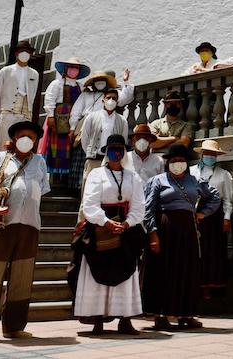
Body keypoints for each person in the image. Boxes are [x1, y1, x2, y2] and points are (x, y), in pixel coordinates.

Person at [0, 121, 49, 344]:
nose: (27, 140)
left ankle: (14, 327)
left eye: (31, 137)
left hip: (30, 226)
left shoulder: (40, 162)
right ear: (14, 138)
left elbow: (41, 190)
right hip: (2, 227)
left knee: (22, 278)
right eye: (23, 135)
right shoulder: (0, 159)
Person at [142, 143, 222, 330]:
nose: (178, 163)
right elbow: (149, 208)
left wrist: (202, 213)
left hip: (188, 230)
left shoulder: (195, 180)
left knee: (187, 271)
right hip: (165, 228)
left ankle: (186, 314)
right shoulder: (157, 181)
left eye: (181, 160)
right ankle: (160, 314)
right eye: (174, 160)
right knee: (164, 271)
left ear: (186, 163)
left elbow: (215, 197)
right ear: (168, 162)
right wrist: (153, 233)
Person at [72, 134, 146, 336]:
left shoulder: (133, 177)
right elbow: (89, 204)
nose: (116, 152)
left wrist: (127, 223)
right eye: (112, 149)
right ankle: (97, 320)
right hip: (100, 228)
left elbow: (139, 205)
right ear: (107, 152)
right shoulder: (96, 174)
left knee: (127, 273)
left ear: (124, 152)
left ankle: (125, 319)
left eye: (120, 149)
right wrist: (105, 221)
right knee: (96, 273)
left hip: (125, 229)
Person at [69, 70, 133, 188]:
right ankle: (77, 185)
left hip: (107, 136)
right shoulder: (86, 94)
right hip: (88, 125)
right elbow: (76, 110)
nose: (100, 83)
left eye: (102, 80)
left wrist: (126, 81)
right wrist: (73, 127)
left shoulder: (113, 94)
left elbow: (127, 97)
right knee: (86, 166)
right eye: (97, 81)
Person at [191, 139, 233, 298]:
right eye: (207, 153)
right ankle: (194, 285)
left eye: (213, 154)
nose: (210, 156)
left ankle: (210, 287)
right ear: (202, 154)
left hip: (215, 217)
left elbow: (228, 199)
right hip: (194, 214)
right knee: (195, 250)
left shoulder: (224, 174)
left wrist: (227, 218)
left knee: (213, 252)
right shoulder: (191, 171)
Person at [39, 56, 89, 180]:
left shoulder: (81, 87)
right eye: (71, 67)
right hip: (59, 118)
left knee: (70, 147)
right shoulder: (56, 84)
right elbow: (50, 100)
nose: (73, 70)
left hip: (74, 119)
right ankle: (55, 177)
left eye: (76, 68)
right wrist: (51, 116)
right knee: (56, 147)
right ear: (66, 69)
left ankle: (66, 178)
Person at [77, 90, 129, 191]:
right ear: (103, 100)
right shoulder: (91, 117)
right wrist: (91, 153)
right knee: (89, 189)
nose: (111, 100)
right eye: (108, 98)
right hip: (94, 160)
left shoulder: (122, 121)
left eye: (114, 98)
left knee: (110, 189)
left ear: (117, 102)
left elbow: (123, 142)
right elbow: (85, 138)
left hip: (112, 161)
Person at [0, 40, 39, 149]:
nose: (25, 53)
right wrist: (3, 113)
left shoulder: (35, 74)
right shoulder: (5, 71)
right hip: (8, 113)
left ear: (31, 54)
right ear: (16, 53)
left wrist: (29, 112)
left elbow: (33, 95)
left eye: (27, 51)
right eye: (22, 51)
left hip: (25, 115)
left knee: (22, 146)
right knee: (5, 145)